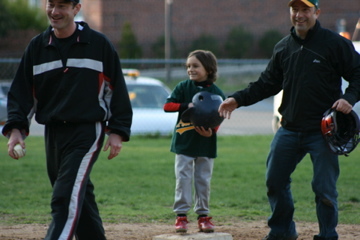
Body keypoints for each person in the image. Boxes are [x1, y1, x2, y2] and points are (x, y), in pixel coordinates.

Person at [218, 0, 360, 240]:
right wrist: (237, 99)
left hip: (323, 131)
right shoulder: (283, 47)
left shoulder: (335, 44)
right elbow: (266, 84)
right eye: (295, 9)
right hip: (289, 129)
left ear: (317, 12)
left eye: (306, 9)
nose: (299, 15)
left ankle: (327, 235)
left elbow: (358, 74)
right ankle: (282, 231)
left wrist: (350, 97)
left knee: (324, 188)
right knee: (275, 180)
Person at [2, 0, 132, 239]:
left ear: (76, 8)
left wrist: (117, 130)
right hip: (53, 133)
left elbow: (117, 90)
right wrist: (16, 129)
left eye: (62, 5)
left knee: (64, 197)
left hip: (86, 131)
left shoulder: (98, 44)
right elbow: (22, 92)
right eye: (51, 4)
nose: (54, 11)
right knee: (79, 196)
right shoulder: (37, 46)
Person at [164, 50, 225, 233]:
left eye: (195, 66)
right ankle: (181, 216)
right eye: (188, 66)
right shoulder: (183, 87)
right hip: (184, 143)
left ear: (208, 68)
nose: (190, 69)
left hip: (206, 144)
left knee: (203, 180)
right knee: (183, 178)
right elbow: (167, 106)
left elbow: (219, 116)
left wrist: (212, 132)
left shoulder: (216, 93)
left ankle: (203, 216)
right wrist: (186, 105)